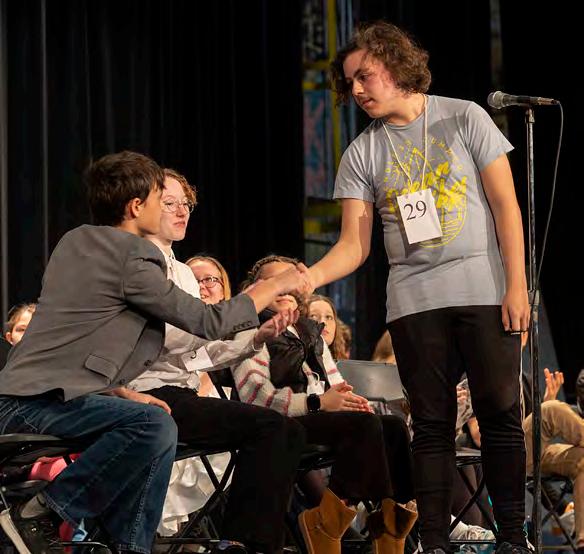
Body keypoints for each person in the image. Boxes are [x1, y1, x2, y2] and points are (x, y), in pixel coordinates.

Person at [0, 151, 308, 554]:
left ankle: (128, 546)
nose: (169, 208)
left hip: (37, 397)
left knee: (155, 420)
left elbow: (76, 339)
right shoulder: (133, 257)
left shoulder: (75, 241)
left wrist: (119, 391)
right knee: (153, 425)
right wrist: (273, 285)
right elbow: (207, 322)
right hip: (33, 404)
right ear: (136, 207)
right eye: (160, 198)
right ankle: (45, 510)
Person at [306, 21, 530, 554]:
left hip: (484, 291)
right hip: (414, 302)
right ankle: (433, 541)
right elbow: (355, 245)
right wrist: (310, 276)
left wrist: (518, 286)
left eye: (364, 76)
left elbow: (506, 207)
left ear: (395, 64)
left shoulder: (464, 116)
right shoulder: (362, 152)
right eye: (349, 83)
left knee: (500, 414)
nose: (357, 90)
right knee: (430, 424)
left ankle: (513, 537)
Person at [130, 169, 306, 552]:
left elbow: (199, 352)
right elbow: (173, 337)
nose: (182, 212)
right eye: (171, 203)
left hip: (181, 393)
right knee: (272, 428)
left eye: (186, 204)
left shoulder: (182, 272)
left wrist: (255, 338)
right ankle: (243, 544)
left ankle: (245, 541)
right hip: (148, 395)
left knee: (284, 430)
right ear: (144, 207)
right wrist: (235, 313)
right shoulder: (140, 264)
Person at [233, 255, 417, 554]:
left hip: (322, 417)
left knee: (393, 428)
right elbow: (256, 398)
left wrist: (352, 402)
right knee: (363, 426)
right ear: (253, 288)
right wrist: (317, 401)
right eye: (274, 281)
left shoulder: (308, 331)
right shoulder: (250, 328)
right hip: (282, 422)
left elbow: (335, 382)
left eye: (289, 281)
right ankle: (327, 522)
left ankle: (391, 530)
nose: (284, 288)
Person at [304, 294, 347, 360]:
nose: (323, 322)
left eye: (328, 317)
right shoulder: (292, 363)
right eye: (313, 316)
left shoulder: (344, 364)